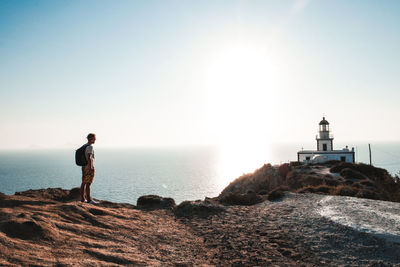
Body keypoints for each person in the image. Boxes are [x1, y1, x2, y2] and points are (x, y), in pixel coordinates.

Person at [80, 133, 97, 204]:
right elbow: (90, 157)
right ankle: (89, 200)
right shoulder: (90, 147)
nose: (95, 140)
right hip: (88, 167)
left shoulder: (85, 146)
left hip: (84, 166)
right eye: (94, 138)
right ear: (91, 139)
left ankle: (83, 199)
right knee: (88, 183)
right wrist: (91, 167)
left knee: (84, 182)